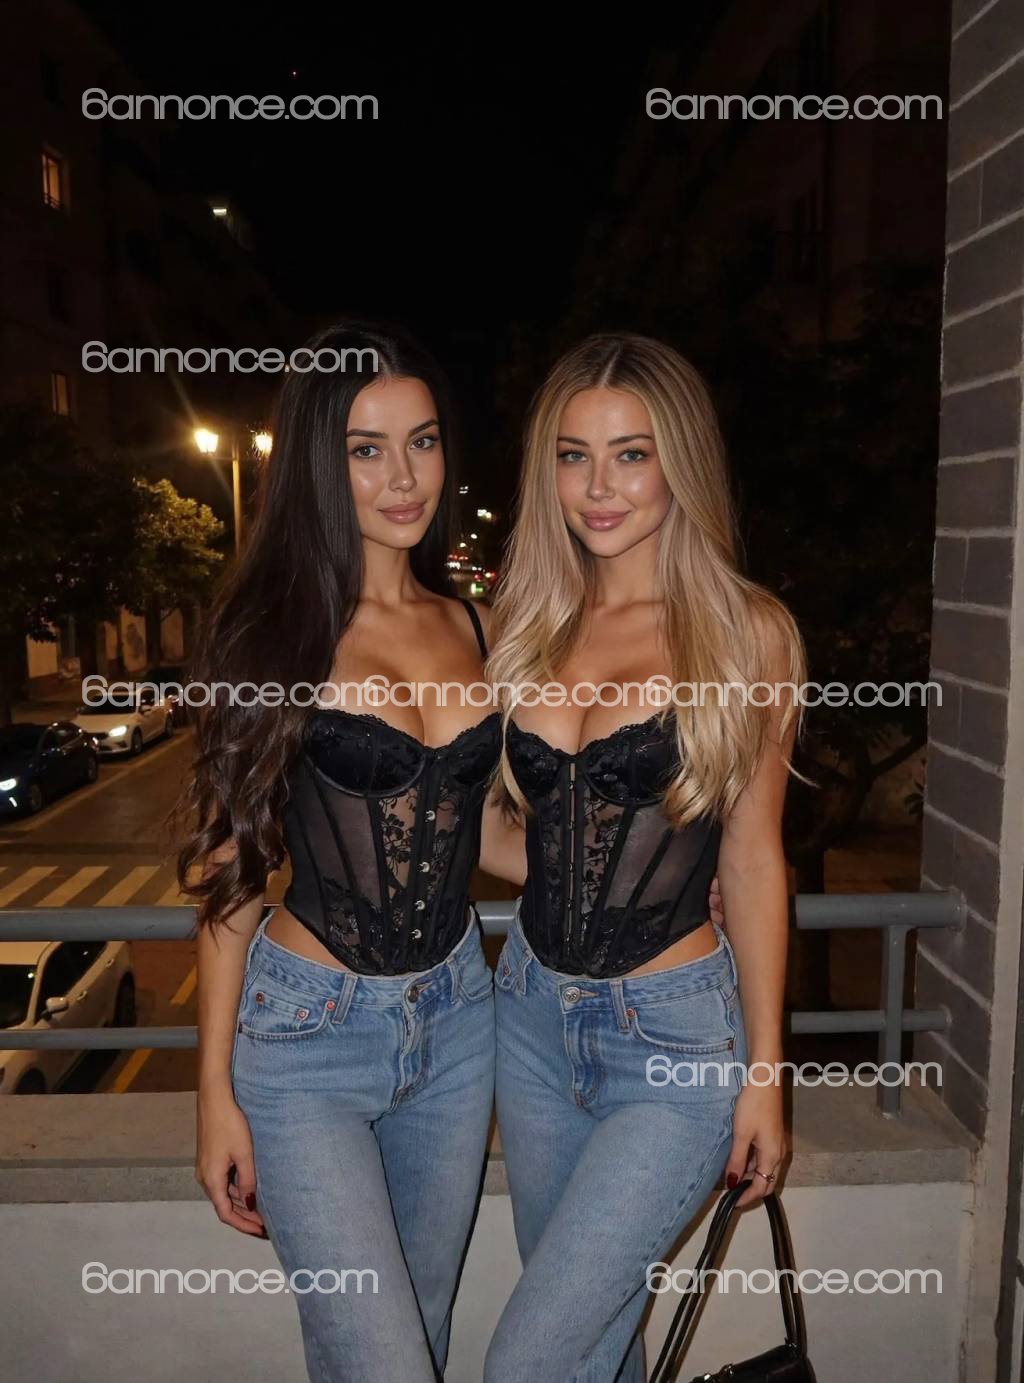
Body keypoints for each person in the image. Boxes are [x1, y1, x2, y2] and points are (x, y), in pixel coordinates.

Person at [481, 332, 806, 1382]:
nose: (598, 487)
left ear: (682, 461)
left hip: (674, 1041)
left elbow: (753, 861)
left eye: (631, 454)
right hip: (531, 1020)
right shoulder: (525, 623)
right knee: (595, 1348)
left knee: (527, 1362)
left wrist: (765, 1079)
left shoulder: (748, 634)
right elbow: (496, 837)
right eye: (573, 456)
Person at [179, 319, 500, 1382]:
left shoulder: (477, 625)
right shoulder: (271, 632)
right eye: (367, 449)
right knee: (384, 1360)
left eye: (423, 440)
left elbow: (489, 833)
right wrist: (213, 1093)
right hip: (306, 1041)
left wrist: (671, 881)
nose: (404, 477)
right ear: (320, 461)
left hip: (456, 1025)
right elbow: (227, 876)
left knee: (419, 1330)